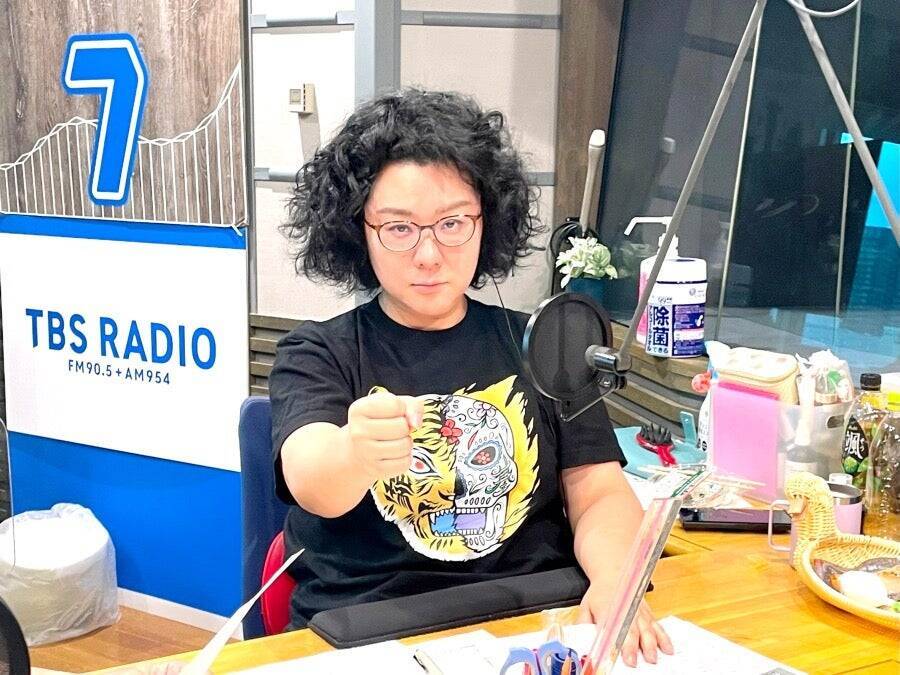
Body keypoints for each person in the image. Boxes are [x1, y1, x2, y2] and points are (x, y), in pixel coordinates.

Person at [270, 89, 673, 667]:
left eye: (453, 223)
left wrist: (616, 583)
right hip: (371, 631)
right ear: (358, 230)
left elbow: (599, 491)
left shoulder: (548, 345)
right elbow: (312, 481)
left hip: (536, 622)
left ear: (487, 221)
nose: (429, 254)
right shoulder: (318, 352)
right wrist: (355, 454)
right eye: (399, 228)